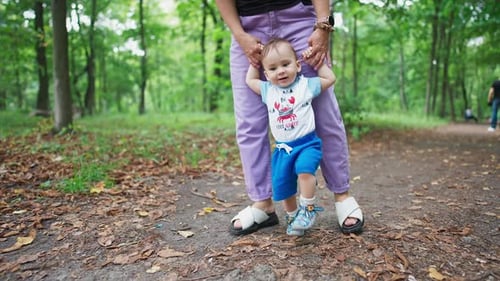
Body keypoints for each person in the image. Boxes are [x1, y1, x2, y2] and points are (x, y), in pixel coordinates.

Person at [214, 0, 364, 236]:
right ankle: (262, 203)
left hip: (298, 19)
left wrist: (323, 24)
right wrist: (238, 33)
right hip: (247, 27)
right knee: (249, 122)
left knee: (325, 115)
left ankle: (342, 194)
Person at [245, 38, 335, 235]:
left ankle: (308, 210)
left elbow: (329, 79)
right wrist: (255, 63)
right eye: (273, 68)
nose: (281, 71)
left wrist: (319, 64)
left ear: (297, 65)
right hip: (282, 148)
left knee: (304, 170)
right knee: (283, 186)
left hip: (307, 144)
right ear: (267, 74)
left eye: (286, 64)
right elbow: (250, 81)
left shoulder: (305, 85)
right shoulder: (268, 90)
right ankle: (294, 217)